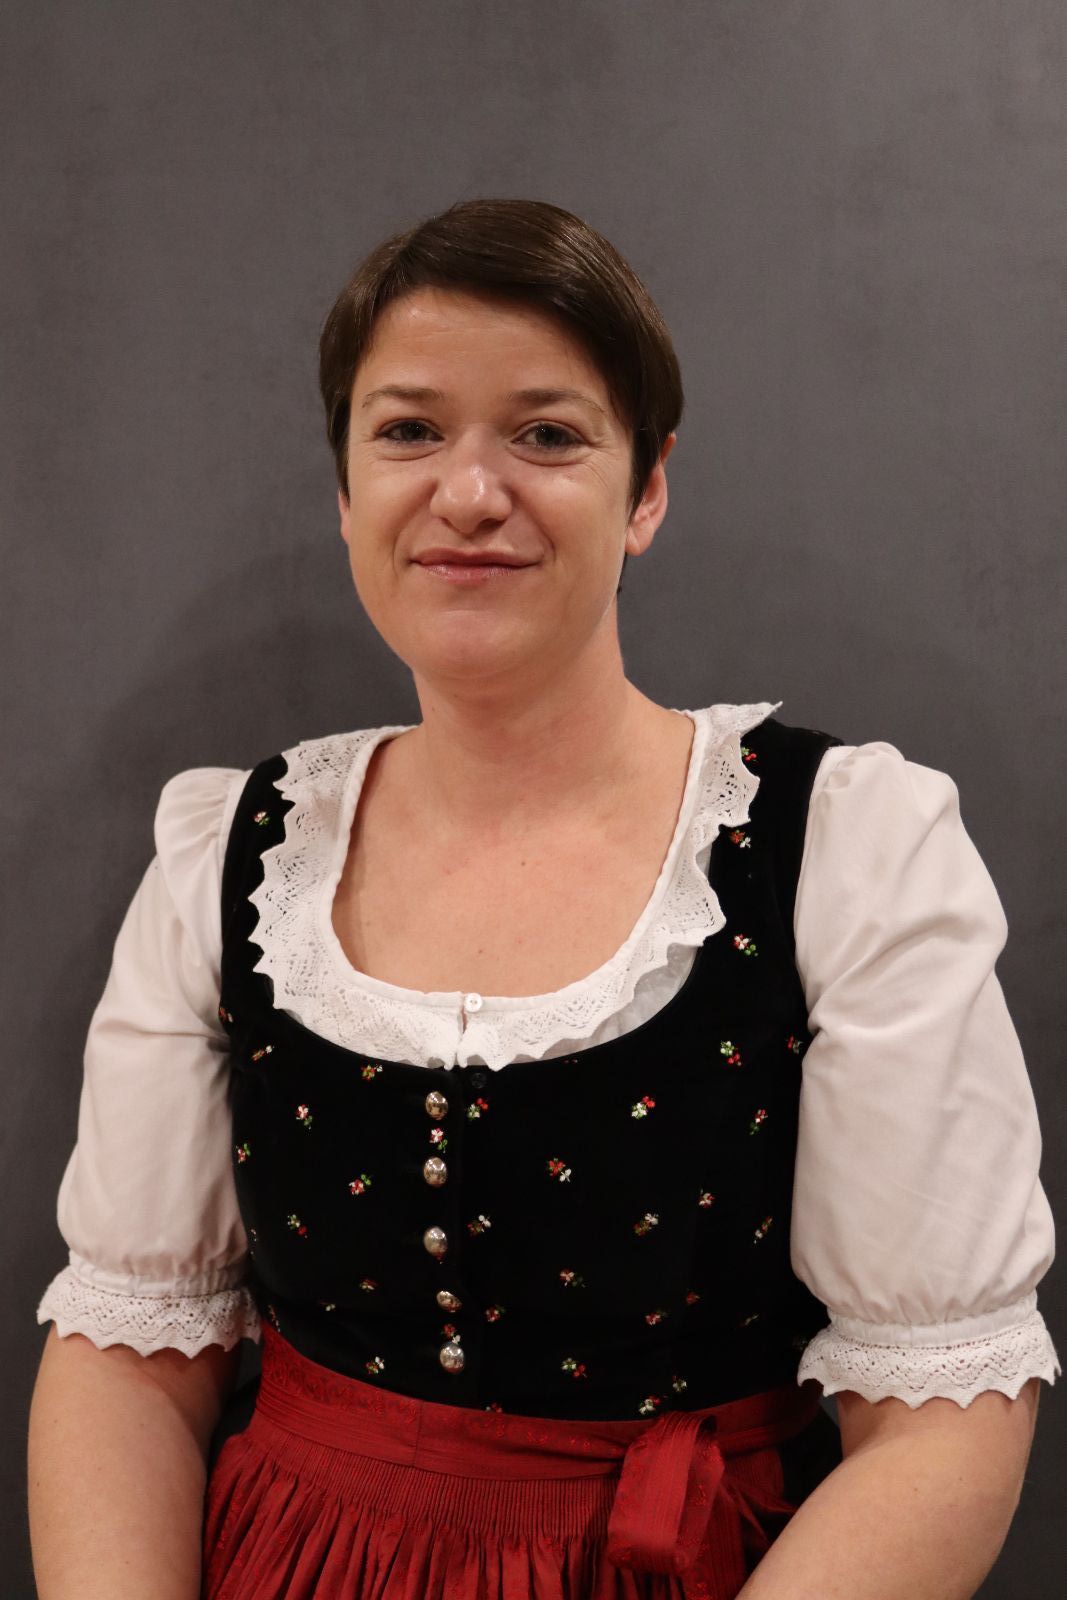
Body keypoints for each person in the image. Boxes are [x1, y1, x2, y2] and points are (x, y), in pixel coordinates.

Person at [28, 198, 1058, 1600]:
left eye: (548, 434)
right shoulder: (236, 852)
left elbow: (939, 1423)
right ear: (344, 491)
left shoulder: (843, 847)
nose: (468, 493)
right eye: (407, 431)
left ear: (647, 491)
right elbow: (128, 1357)